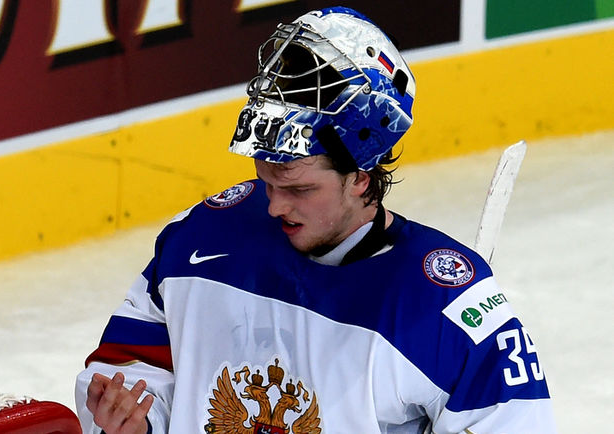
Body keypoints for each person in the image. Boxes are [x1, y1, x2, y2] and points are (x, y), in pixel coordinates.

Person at [75, 6, 556, 433]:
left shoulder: (445, 306)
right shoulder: (201, 238)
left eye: (299, 189)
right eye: (266, 180)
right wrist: (134, 421)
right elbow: (132, 368)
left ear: (362, 176)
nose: (274, 206)